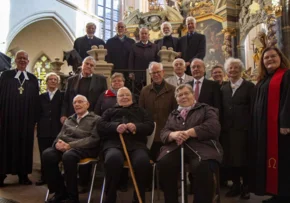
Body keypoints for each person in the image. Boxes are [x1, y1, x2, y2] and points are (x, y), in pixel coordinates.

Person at [157, 84, 223, 203]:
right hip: (176, 147)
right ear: (176, 99)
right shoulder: (173, 114)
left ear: (193, 95)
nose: (183, 97)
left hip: (202, 146)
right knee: (164, 163)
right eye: (180, 95)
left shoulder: (206, 109)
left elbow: (214, 127)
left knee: (203, 166)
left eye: (186, 93)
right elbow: (164, 132)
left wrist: (190, 132)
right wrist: (173, 135)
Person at [98, 87, 154, 203]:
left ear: (132, 97)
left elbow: (149, 126)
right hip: (114, 144)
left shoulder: (141, 111)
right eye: (121, 95)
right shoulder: (109, 111)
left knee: (142, 161)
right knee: (113, 159)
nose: (124, 97)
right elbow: (100, 126)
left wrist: (136, 127)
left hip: (137, 145)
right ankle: (110, 198)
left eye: (127, 95)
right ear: (117, 99)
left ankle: (138, 198)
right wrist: (115, 126)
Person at [249, 46, 290, 203]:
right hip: (264, 128)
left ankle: (285, 195)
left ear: (280, 58)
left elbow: (288, 100)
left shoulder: (286, 75)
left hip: (280, 129)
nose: (270, 59)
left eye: (273, 56)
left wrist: (286, 123)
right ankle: (276, 193)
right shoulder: (263, 79)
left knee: (283, 160)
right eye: (266, 57)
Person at [43, 95, 100, 203]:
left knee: (68, 156)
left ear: (87, 104)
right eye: (75, 102)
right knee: (47, 155)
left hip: (85, 148)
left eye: (80, 102)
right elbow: (59, 136)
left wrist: (70, 145)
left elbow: (94, 140)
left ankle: (72, 197)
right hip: (66, 146)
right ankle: (60, 192)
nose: (77, 104)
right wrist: (57, 144)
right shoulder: (69, 119)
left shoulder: (96, 119)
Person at [61, 56, 106, 191]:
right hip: (74, 119)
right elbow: (66, 99)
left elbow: (102, 99)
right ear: (82, 64)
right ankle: (70, 181)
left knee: (85, 147)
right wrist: (63, 114)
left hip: (91, 119)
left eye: (92, 65)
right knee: (72, 146)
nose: (89, 67)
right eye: (87, 64)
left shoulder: (101, 80)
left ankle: (84, 182)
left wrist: (96, 116)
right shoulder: (71, 80)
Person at [0, 50, 39, 186]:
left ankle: (23, 175)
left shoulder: (33, 79)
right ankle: (1, 175)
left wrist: (34, 119)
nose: (22, 60)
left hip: (26, 121)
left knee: (24, 146)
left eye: (25, 58)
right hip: (7, 119)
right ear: (15, 60)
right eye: (20, 58)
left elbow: (36, 101)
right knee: (5, 145)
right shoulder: (6, 76)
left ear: (28, 62)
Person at [221, 58, 254, 199]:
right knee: (231, 159)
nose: (232, 70)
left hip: (243, 130)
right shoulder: (223, 88)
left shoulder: (250, 87)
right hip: (227, 131)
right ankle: (235, 185)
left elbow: (253, 109)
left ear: (240, 70)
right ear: (227, 71)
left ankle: (246, 187)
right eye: (230, 68)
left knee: (244, 160)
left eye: (235, 68)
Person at [139, 62, 177, 161]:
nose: (156, 75)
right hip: (150, 134)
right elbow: (141, 111)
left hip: (167, 133)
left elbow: (176, 113)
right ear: (150, 75)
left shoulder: (173, 90)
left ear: (163, 72)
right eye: (153, 73)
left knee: (165, 162)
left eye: (158, 72)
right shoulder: (145, 91)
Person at [36, 72, 64, 186]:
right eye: (50, 79)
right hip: (43, 130)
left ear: (58, 83)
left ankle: (57, 177)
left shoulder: (63, 96)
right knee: (43, 154)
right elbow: (37, 112)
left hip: (57, 129)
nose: (53, 81)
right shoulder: (41, 97)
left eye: (55, 79)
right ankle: (44, 177)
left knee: (56, 155)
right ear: (46, 82)